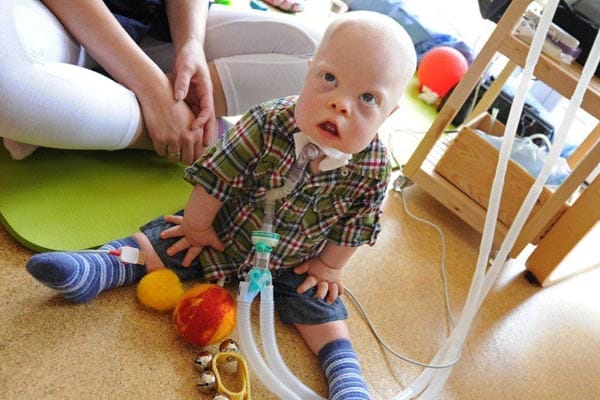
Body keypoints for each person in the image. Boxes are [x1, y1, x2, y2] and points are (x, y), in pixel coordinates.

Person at [26, 10, 417, 399]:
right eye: (328, 79)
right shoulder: (267, 123)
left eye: (367, 98)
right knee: (165, 241)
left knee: (323, 306)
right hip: (221, 232)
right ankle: (101, 265)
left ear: (388, 114)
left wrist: (328, 266)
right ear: (309, 72)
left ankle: (346, 379)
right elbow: (216, 176)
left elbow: (356, 224)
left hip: (295, 262)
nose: (340, 104)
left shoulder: (373, 168)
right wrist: (197, 225)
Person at [0, 0, 321, 164]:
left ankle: (74, 112)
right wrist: (152, 89)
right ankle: (203, 137)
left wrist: (190, 45)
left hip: (154, 25)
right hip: (52, 17)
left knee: (321, 59)